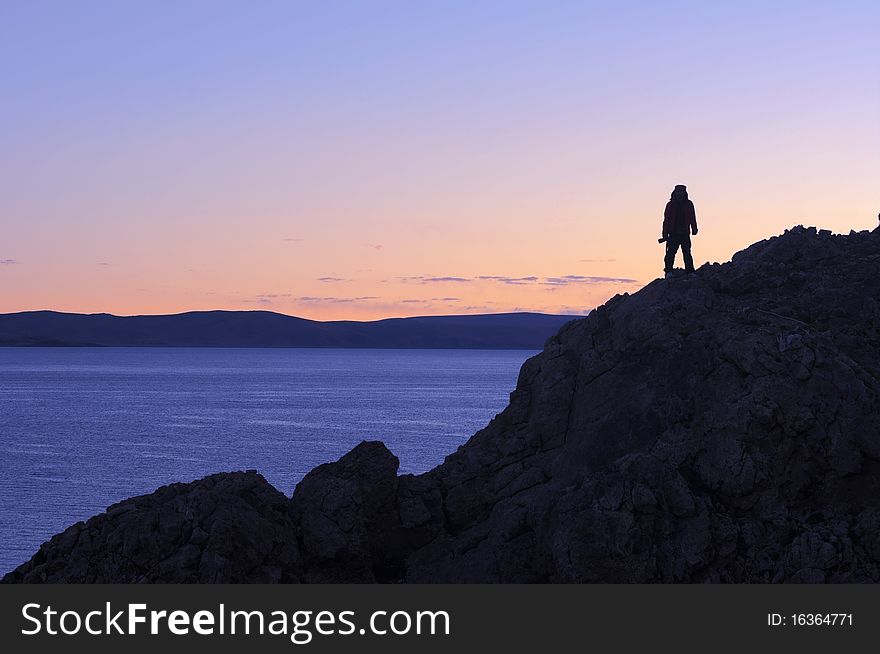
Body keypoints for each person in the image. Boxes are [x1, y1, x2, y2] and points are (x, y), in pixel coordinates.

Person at [662, 184, 698, 276]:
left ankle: (690, 271)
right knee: (670, 253)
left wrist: (694, 228)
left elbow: (692, 217)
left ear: (685, 193)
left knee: (687, 253)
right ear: (675, 193)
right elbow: (666, 220)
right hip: (673, 233)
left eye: (682, 192)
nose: (680, 194)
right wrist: (665, 234)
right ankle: (668, 271)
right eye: (678, 192)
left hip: (685, 233)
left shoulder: (689, 204)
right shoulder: (670, 205)